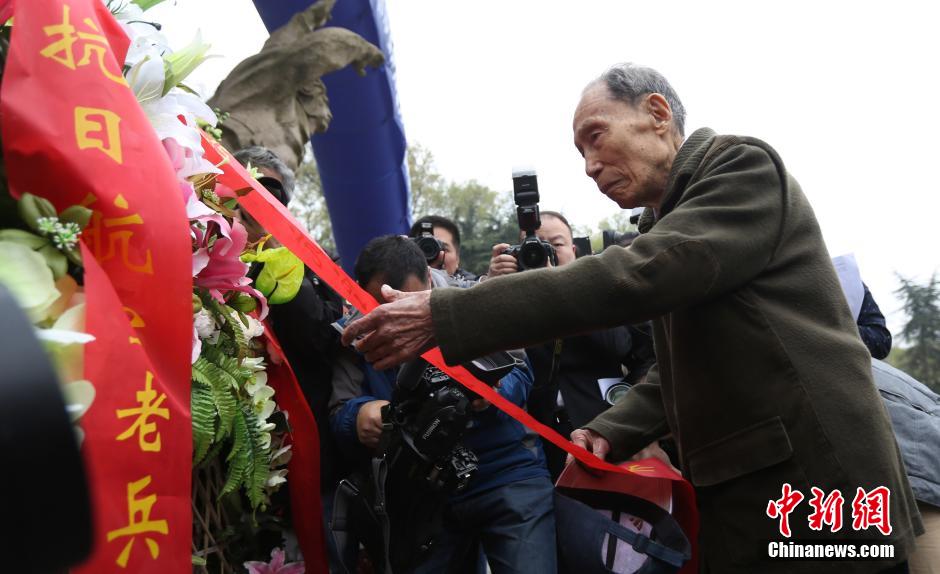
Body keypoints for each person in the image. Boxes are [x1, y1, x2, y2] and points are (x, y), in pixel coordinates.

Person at [341, 63, 923, 573]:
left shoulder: (741, 168)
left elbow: (637, 274)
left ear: (656, 112)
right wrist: (611, 429)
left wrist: (446, 312)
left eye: (597, 137)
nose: (591, 166)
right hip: (755, 489)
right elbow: (686, 368)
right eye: (581, 154)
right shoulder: (671, 226)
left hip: (817, 483)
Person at [330, 235, 556, 574]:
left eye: (406, 300)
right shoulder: (352, 333)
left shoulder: (472, 299)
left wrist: (491, 391)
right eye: (381, 305)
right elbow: (339, 409)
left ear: (428, 276)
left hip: (504, 472)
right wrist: (359, 414)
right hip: (420, 491)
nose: (397, 315)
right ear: (360, 290)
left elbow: (521, 373)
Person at [485, 210, 658, 478]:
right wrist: (491, 287)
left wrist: (634, 409)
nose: (545, 256)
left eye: (555, 245)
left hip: (606, 427)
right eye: (534, 248)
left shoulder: (604, 291)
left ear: (574, 250)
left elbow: (634, 349)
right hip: (539, 441)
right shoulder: (510, 302)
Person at [409, 214, 477, 281]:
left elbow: (478, 284)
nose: (437, 255)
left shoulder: (470, 288)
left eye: (443, 248)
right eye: (423, 249)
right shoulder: (399, 285)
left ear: (457, 259)